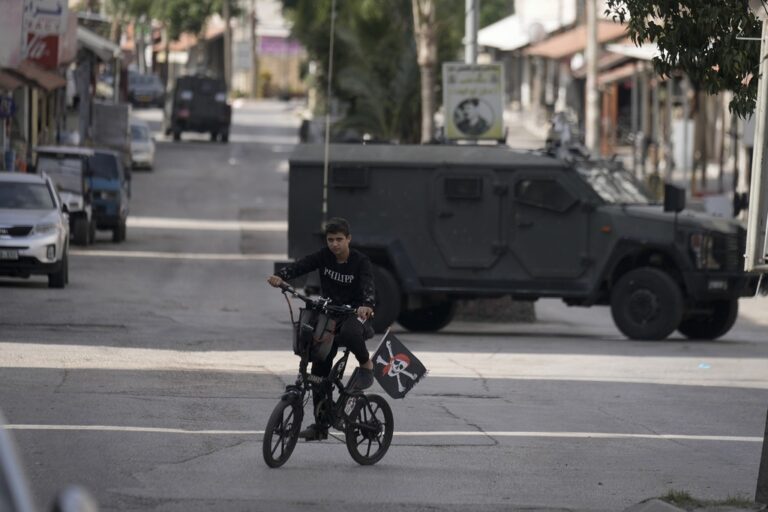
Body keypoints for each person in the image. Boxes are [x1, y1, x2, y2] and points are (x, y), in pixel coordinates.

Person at [267, 217, 376, 440]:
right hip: (330, 315)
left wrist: (366, 305)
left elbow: (368, 286)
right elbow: (303, 265)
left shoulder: (360, 261)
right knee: (318, 369)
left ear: (348, 239)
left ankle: (366, 364)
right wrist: (282, 277)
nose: (334, 244)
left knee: (349, 333)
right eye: (330, 240)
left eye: (339, 240)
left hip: (355, 315)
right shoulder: (324, 257)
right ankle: (321, 426)